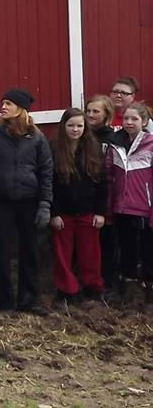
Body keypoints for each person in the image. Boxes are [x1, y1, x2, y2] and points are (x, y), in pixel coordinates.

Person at [0, 89, 53, 314]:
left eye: (9, 103)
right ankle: (4, 299)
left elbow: (46, 172)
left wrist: (45, 204)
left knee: (30, 250)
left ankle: (28, 299)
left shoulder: (37, 138)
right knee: (1, 250)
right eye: (3, 103)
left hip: (28, 200)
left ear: (21, 109)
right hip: (1, 200)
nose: (3, 107)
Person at [49, 108, 106, 308]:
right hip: (63, 213)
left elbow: (102, 182)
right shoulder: (54, 148)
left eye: (79, 125)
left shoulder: (93, 149)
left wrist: (100, 211)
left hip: (88, 212)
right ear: (63, 126)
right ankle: (66, 290)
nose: (75, 129)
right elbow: (50, 184)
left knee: (90, 253)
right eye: (71, 125)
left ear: (85, 127)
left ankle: (93, 288)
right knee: (62, 254)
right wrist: (54, 213)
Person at [105, 103, 153, 311]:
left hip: (144, 207)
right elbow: (109, 177)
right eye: (126, 119)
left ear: (144, 122)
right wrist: (108, 207)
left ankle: (149, 291)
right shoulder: (114, 145)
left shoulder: (151, 144)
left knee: (148, 250)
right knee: (126, 248)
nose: (129, 123)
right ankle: (128, 288)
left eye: (134, 119)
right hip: (121, 208)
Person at [86, 94, 120, 298]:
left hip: (107, 196)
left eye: (96, 111)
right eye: (88, 110)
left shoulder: (114, 138)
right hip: (86, 196)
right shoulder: (81, 135)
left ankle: (108, 281)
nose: (91, 115)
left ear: (106, 114)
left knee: (107, 242)